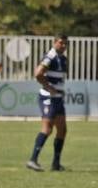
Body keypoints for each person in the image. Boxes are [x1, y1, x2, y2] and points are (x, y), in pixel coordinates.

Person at [26, 36, 68, 172]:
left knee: (62, 130)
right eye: (61, 43)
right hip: (48, 97)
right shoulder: (50, 56)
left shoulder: (62, 58)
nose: (63, 45)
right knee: (47, 128)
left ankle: (56, 164)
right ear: (54, 42)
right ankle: (33, 160)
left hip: (58, 98)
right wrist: (49, 87)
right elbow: (38, 73)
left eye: (65, 43)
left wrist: (59, 90)